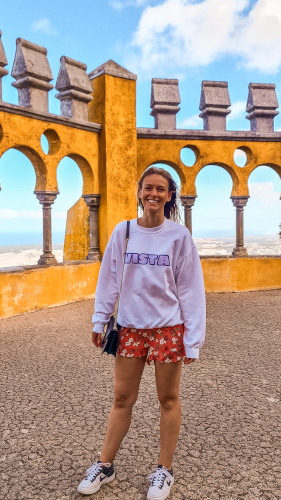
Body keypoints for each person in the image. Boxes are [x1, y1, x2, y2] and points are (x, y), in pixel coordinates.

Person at [77, 167, 206, 499]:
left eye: (161, 189)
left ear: (169, 195)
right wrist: (99, 320)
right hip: (130, 328)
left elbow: (191, 290)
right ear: (139, 192)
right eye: (148, 188)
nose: (154, 194)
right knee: (122, 399)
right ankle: (104, 466)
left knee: (168, 399)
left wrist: (193, 339)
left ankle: (164, 471)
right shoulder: (124, 232)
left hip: (167, 329)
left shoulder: (179, 236)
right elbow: (108, 279)